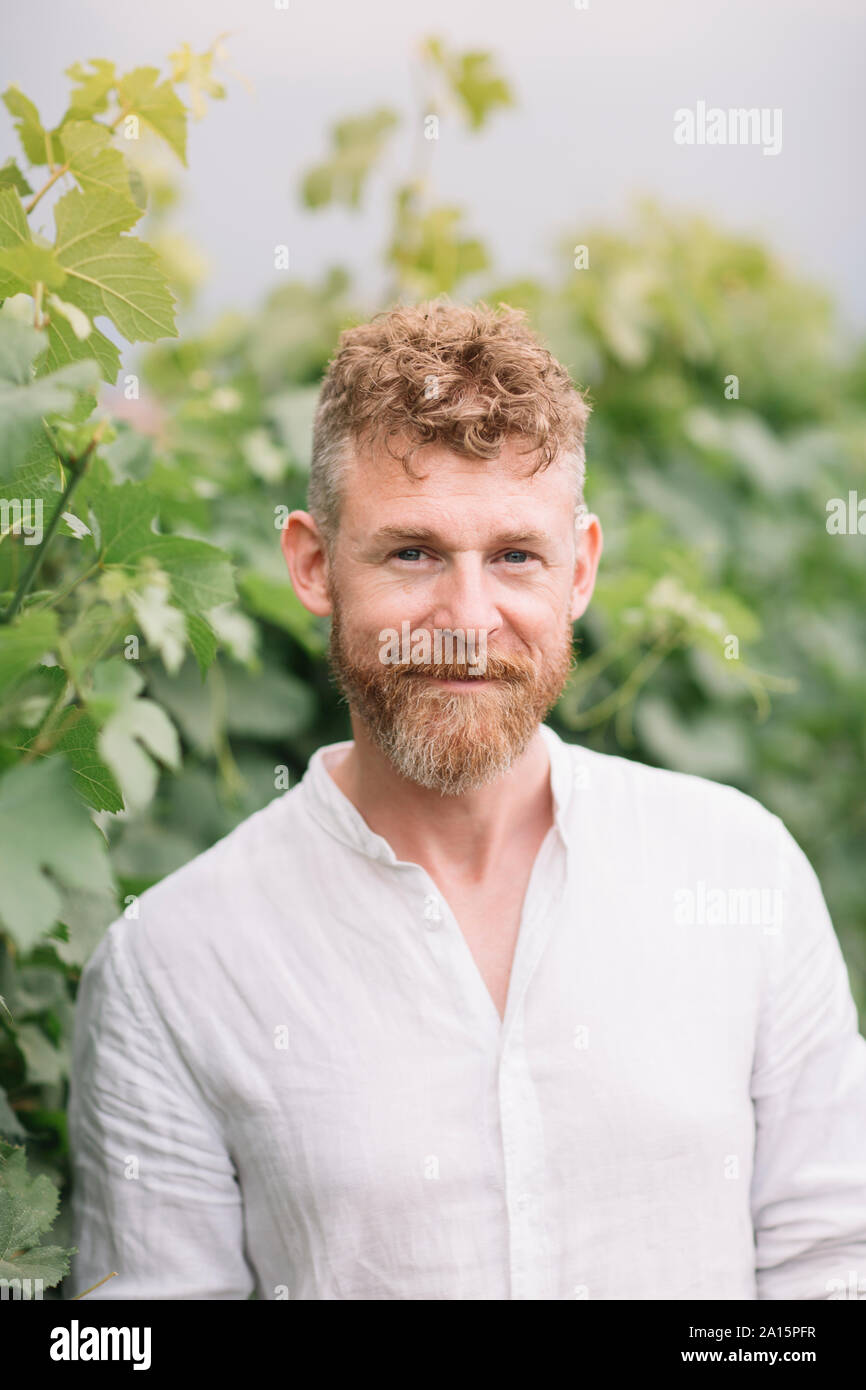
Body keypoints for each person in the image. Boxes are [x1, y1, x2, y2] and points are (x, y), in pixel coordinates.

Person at [68, 300, 866, 1300]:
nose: (466, 618)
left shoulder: (740, 874)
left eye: (513, 557)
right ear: (313, 565)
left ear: (576, 568)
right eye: (411, 553)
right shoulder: (172, 967)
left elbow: (832, 1268)